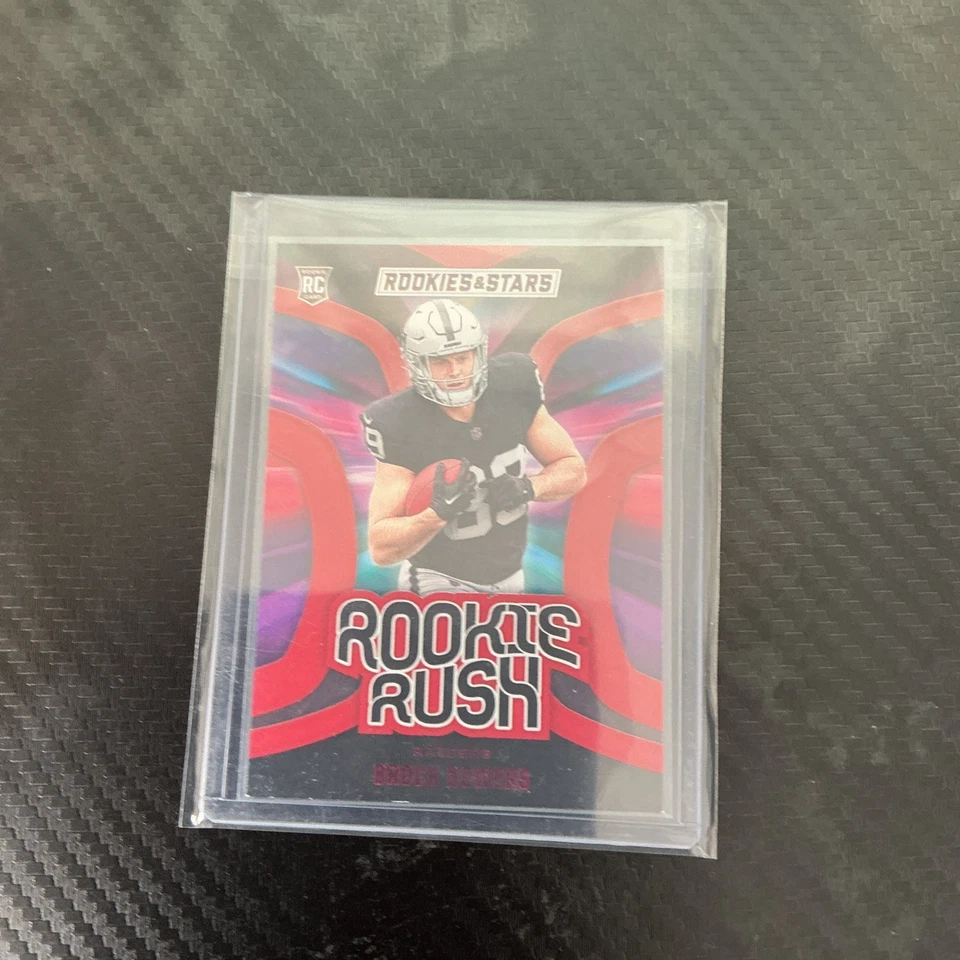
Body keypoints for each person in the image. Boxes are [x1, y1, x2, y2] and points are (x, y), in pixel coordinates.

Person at [360, 299, 586, 595]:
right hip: (437, 579)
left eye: (462, 357)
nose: (455, 371)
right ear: (417, 364)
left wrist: (530, 487)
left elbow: (573, 468)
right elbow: (381, 547)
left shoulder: (513, 385)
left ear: (478, 353)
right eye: (441, 361)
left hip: (511, 577)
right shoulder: (398, 421)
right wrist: (436, 515)